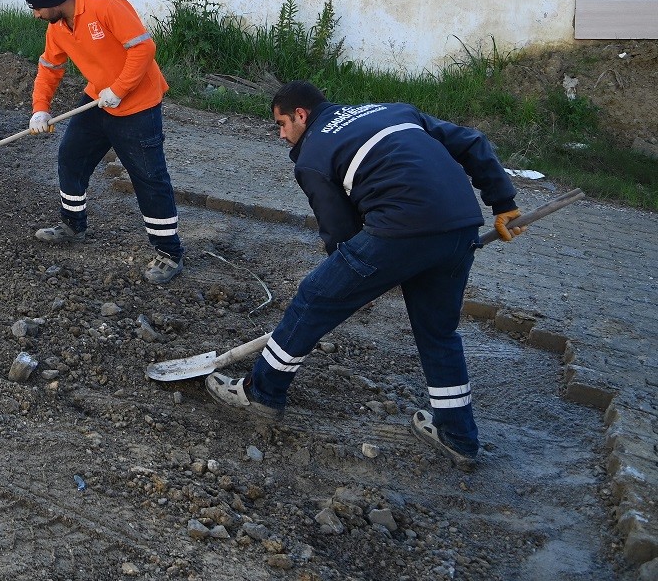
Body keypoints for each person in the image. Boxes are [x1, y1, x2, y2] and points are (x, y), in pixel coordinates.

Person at [205, 80, 523, 469]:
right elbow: (472, 142)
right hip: (459, 228)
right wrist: (503, 202)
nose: (281, 135)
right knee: (438, 332)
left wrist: (354, 281)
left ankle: (262, 394)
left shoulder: (313, 155)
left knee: (313, 299)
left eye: (282, 124)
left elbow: (339, 233)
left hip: (400, 228)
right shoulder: (393, 110)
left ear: (301, 115)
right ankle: (458, 436)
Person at [25, 0, 184, 284]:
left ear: (55, 2)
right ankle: (73, 225)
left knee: (149, 178)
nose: (36, 15)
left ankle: (169, 252)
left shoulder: (106, 6)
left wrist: (121, 89)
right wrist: (40, 108)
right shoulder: (57, 27)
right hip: (99, 98)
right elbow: (50, 67)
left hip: (138, 102)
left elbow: (143, 49)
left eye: (38, 8)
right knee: (71, 156)